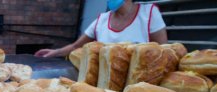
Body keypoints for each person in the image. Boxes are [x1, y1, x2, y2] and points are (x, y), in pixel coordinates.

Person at [35, 0, 168, 58]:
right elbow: (76, 46)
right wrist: (54, 52)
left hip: (137, 84)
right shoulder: (101, 20)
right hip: (104, 85)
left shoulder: (149, 13)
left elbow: (164, 53)